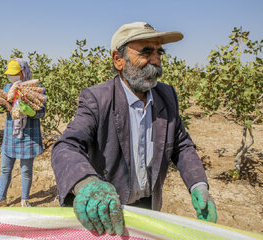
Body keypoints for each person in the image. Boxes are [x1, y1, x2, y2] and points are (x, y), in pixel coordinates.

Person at [51, 22, 217, 236]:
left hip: (148, 207)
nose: (156, 61)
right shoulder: (97, 99)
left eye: (159, 52)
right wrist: (86, 182)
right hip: (108, 210)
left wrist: (198, 184)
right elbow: (67, 146)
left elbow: (181, 144)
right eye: (146, 52)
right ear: (118, 60)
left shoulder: (166, 96)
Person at [0, 58, 45, 207]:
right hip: (11, 133)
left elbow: (42, 112)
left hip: (29, 134)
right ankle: (1, 199)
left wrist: (31, 112)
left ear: (24, 72)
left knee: (26, 170)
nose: (12, 77)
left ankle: (25, 199)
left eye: (15, 74)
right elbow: (3, 104)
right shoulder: (7, 87)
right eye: (10, 74)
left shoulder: (36, 87)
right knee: (5, 168)